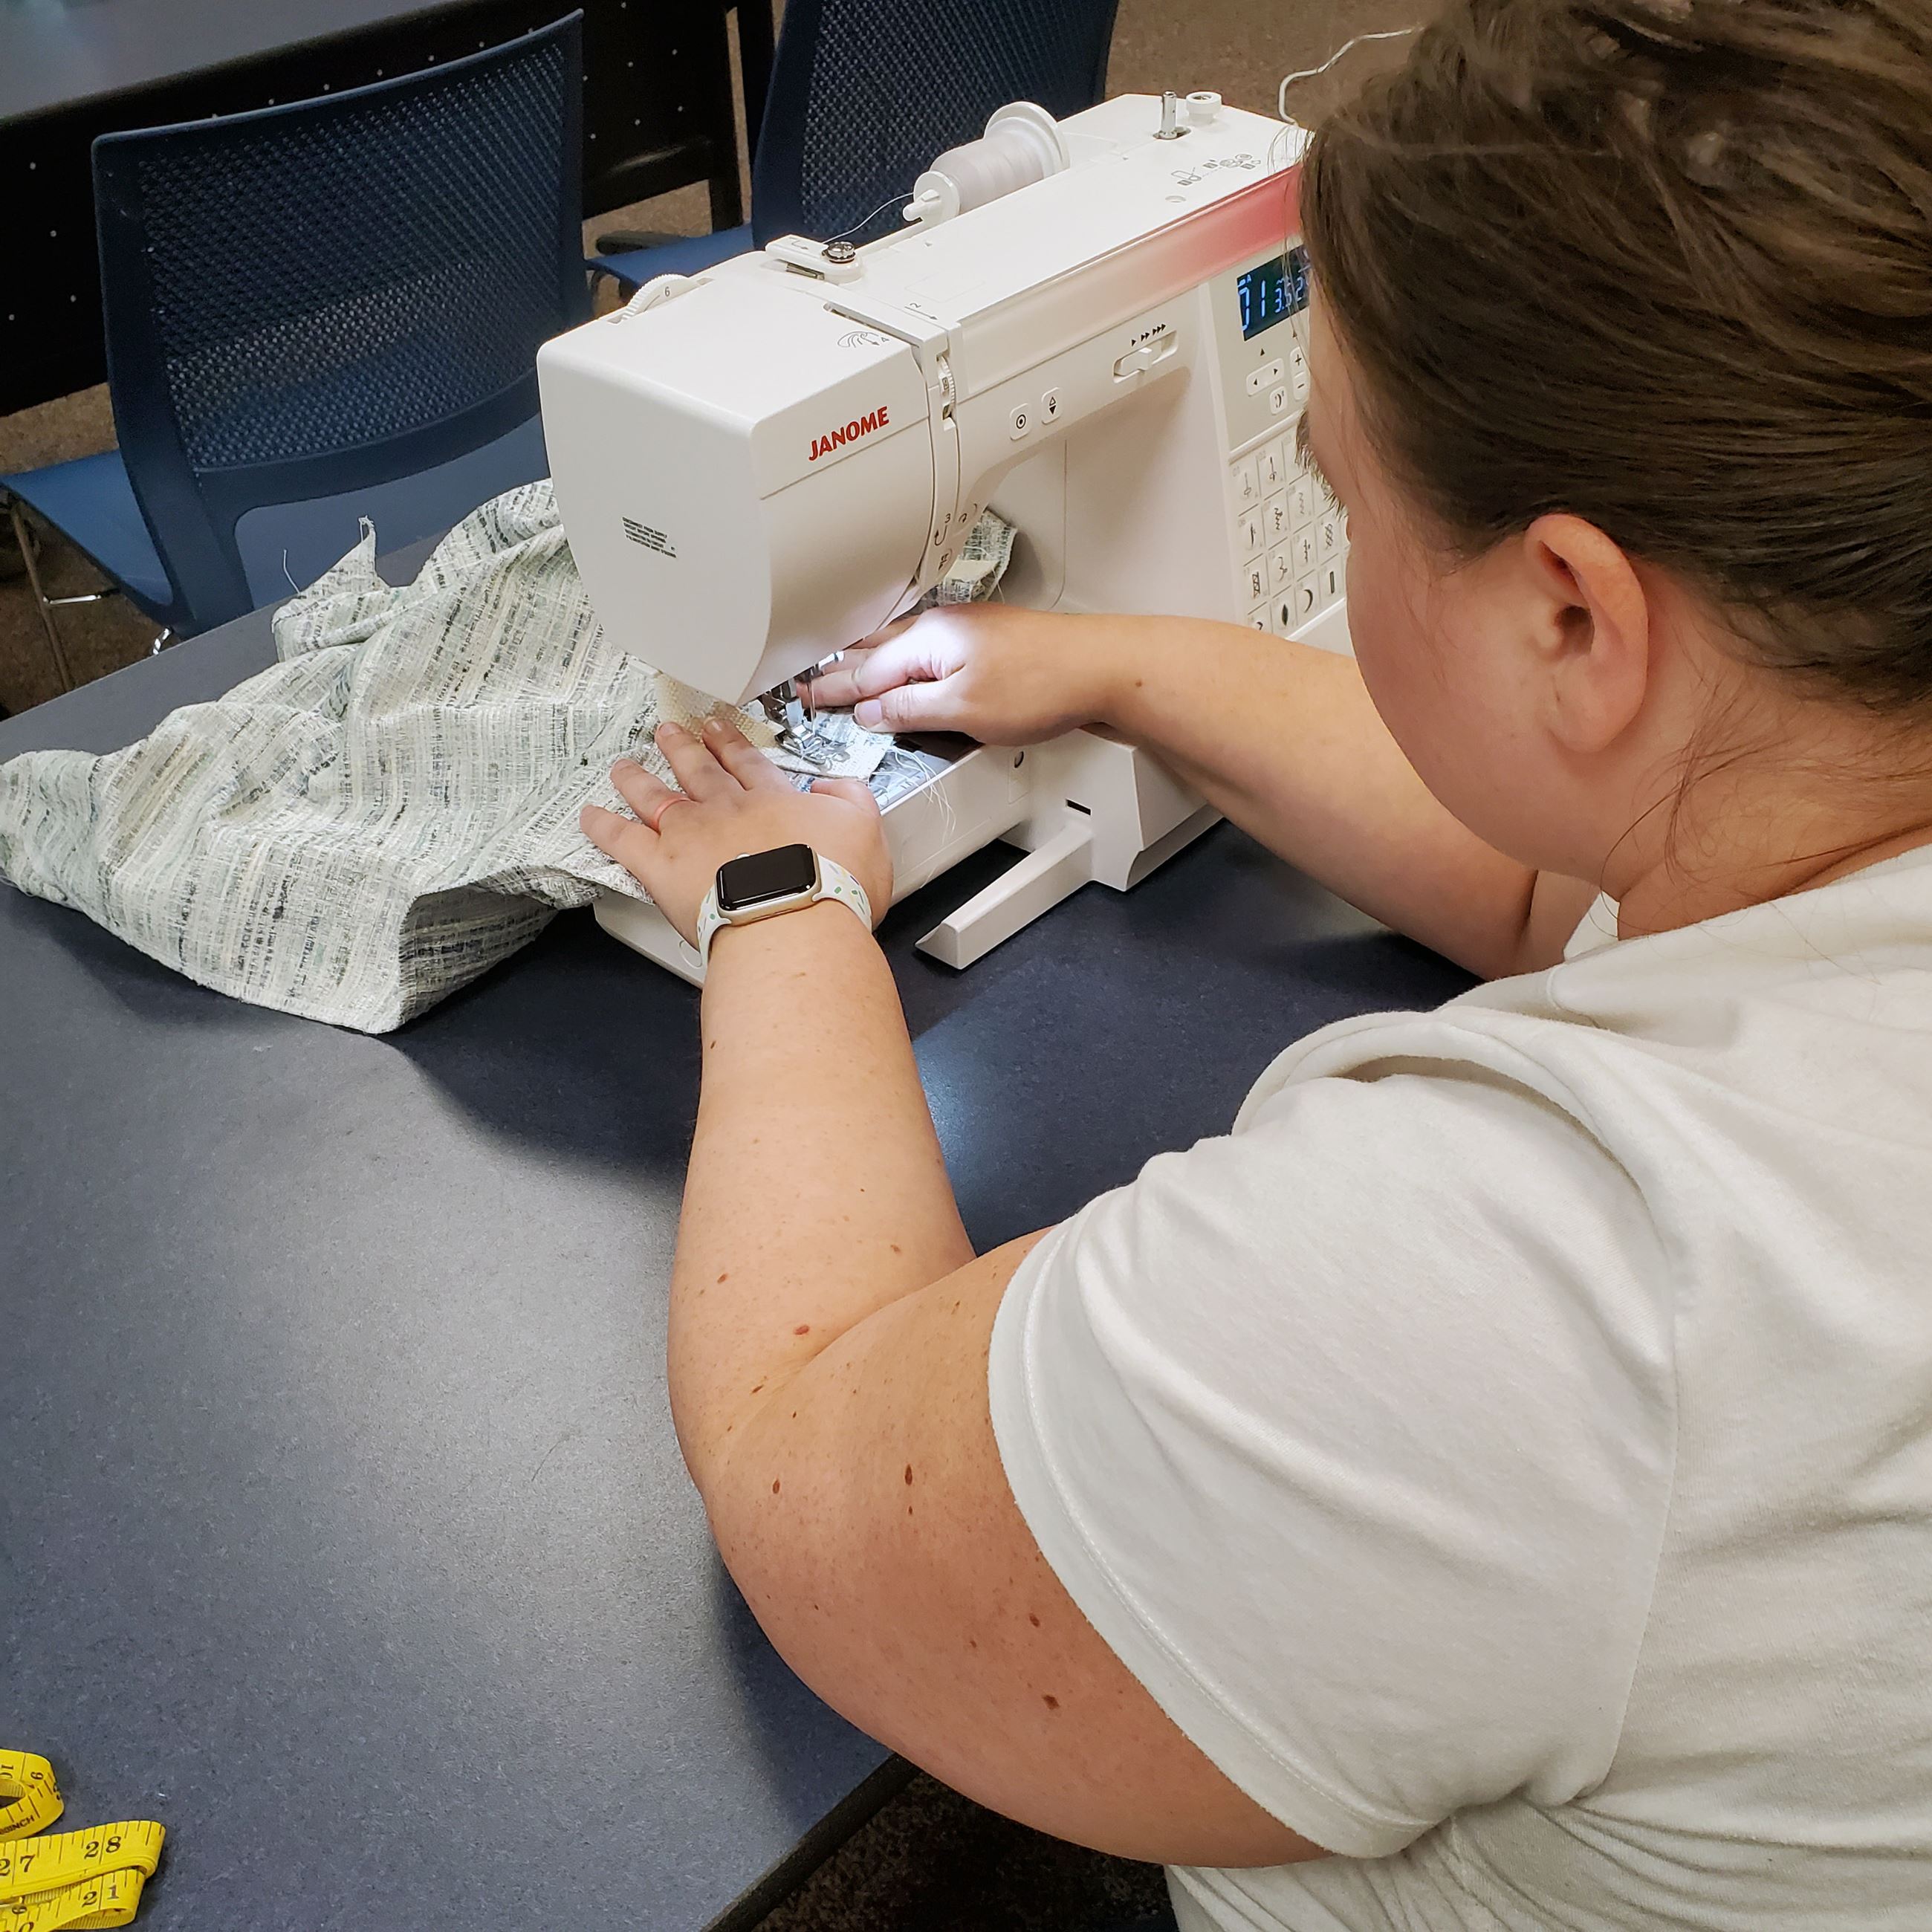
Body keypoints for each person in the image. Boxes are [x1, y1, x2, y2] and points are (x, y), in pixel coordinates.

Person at [580, 1, 1932, 1924]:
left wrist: (781, 906)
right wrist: (1116, 660)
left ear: (1573, 610)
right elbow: (1571, 896)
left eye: (1355, 497)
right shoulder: (1831, 808)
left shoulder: (1547, 1287)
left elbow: (807, 1466)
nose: (1344, 538)